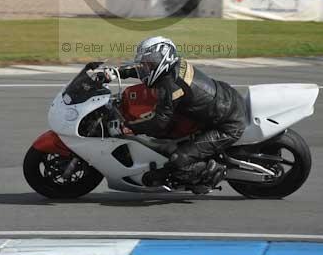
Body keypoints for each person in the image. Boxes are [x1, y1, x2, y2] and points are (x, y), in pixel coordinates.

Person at [106, 36, 247, 192]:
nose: (145, 66)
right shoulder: (173, 66)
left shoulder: (171, 86)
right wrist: (118, 73)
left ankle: (210, 172)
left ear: (163, 59)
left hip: (227, 124)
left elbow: (159, 123)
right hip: (225, 100)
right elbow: (143, 70)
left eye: (150, 61)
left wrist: (128, 127)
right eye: (146, 61)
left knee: (179, 160)